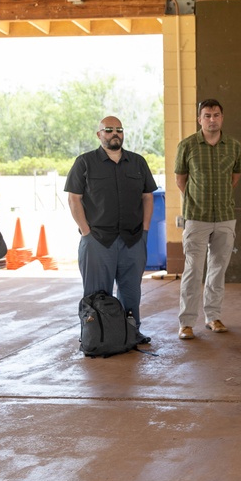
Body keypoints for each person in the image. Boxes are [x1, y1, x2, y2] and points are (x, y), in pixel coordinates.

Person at [65, 116, 157, 331]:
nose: (115, 133)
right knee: (97, 294)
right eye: (109, 130)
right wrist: (86, 232)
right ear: (99, 135)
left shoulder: (137, 162)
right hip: (97, 240)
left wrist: (144, 231)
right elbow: (73, 199)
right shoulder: (85, 162)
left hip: (133, 239)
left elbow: (148, 197)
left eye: (119, 130)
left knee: (131, 292)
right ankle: (97, 336)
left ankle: (131, 333)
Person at [175, 99, 241, 339]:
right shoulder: (187, 146)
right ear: (199, 119)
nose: (212, 120)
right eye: (207, 115)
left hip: (225, 217)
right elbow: (181, 180)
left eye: (216, 115)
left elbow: (234, 177)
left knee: (217, 269)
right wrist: (197, 201)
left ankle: (213, 317)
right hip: (196, 217)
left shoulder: (234, 146)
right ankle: (186, 323)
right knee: (193, 270)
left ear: (222, 118)